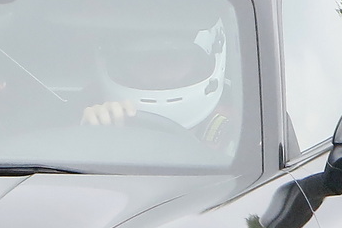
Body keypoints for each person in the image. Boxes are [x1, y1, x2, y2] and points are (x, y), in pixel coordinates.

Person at [79, 23, 237, 147]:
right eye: (143, 58)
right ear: (122, 65)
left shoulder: (241, 126)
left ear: (198, 62)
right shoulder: (88, 111)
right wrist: (96, 136)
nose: (160, 68)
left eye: (173, 56)